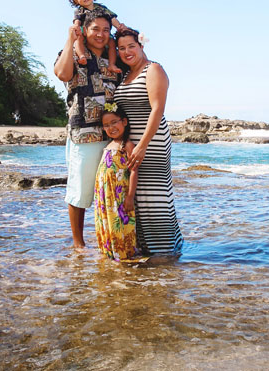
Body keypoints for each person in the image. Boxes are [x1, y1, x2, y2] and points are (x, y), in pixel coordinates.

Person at [114, 28, 183, 256]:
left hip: (152, 141)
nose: (127, 52)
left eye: (131, 46)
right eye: (121, 48)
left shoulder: (153, 69)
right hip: (132, 143)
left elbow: (157, 109)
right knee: (137, 198)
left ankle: (164, 253)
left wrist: (143, 144)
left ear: (141, 46)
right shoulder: (124, 75)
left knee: (154, 196)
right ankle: (146, 251)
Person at [54, 13, 121, 248]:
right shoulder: (73, 54)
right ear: (84, 30)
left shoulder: (115, 59)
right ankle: (79, 244)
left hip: (114, 135)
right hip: (84, 133)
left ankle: (111, 239)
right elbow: (62, 74)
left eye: (105, 29)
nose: (101, 34)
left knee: (114, 190)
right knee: (80, 191)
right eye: (95, 29)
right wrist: (70, 39)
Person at [93, 103, 140, 262]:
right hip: (105, 197)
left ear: (124, 122)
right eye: (106, 125)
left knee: (119, 224)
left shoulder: (127, 145)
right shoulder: (108, 145)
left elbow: (134, 171)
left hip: (118, 196)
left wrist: (130, 196)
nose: (111, 127)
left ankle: (124, 257)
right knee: (106, 223)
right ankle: (109, 254)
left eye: (114, 122)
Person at [67, 0, 126, 73]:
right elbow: (77, 21)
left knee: (112, 42)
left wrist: (119, 27)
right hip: (84, 32)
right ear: (75, 0)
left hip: (102, 32)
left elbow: (112, 19)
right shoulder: (79, 11)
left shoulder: (102, 8)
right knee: (79, 38)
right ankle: (81, 55)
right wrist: (76, 27)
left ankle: (112, 64)